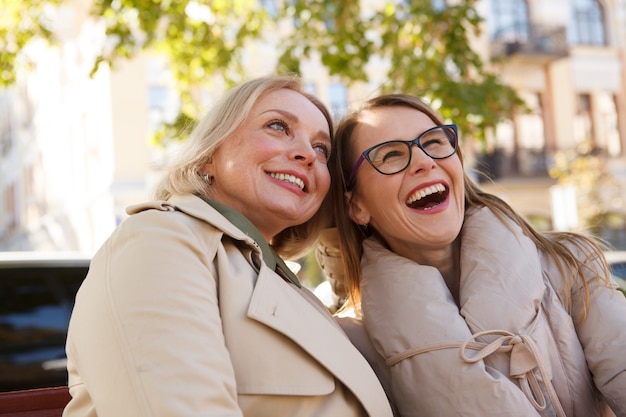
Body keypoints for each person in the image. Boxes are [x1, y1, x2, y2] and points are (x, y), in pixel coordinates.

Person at [62, 76, 394, 417]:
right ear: (209, 155)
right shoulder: (159, 239)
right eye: (278, 126)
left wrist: (342, 216)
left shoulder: (280, 281)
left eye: (322, 149)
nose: (307, 154)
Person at [325, 93, 626, 417]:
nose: (425, 161)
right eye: (390, 155)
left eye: (434, 142)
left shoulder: (569, 264)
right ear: (357, 206)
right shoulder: (353, 343)